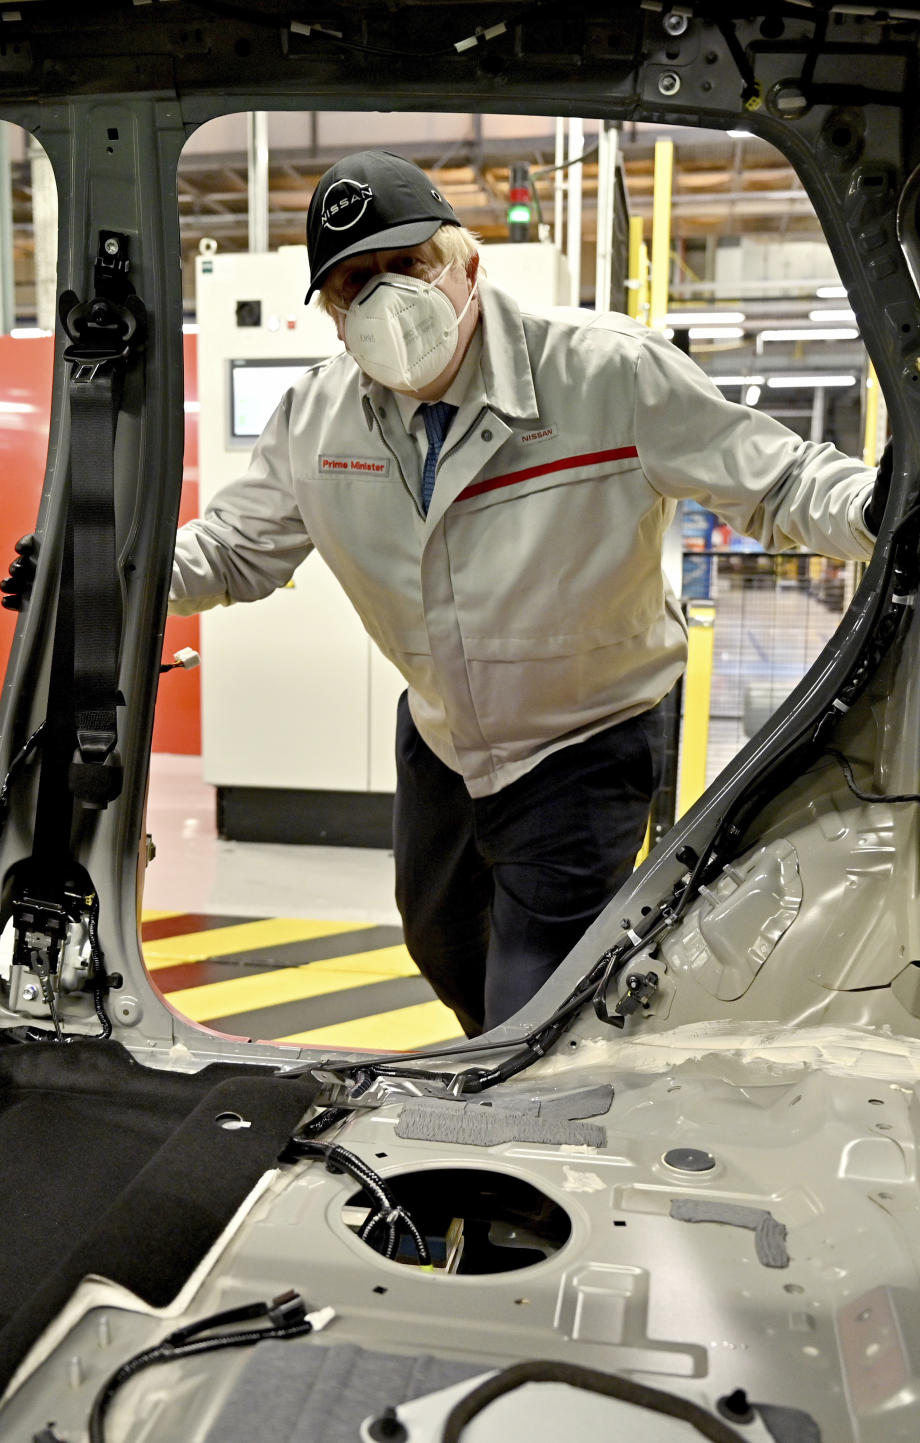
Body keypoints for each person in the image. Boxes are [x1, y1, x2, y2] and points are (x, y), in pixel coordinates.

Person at [170, 148, 885, 1039]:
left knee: (533, 996)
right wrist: (110, 572)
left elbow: (776, 482)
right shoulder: (313, 421)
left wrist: (877, 508)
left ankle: (524, 1113)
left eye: (409, 265)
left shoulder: (607, 374)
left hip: (585, 736)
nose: (388, 298)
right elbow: (235, 550)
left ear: (468, 263)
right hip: (441, 733)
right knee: (437, 941)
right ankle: (506, 1071)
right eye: (357, 281)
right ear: (328, 312)